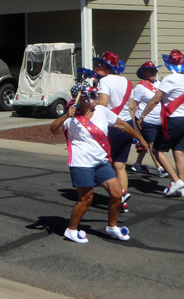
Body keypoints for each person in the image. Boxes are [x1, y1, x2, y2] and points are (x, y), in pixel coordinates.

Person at [50, 82, 145, 243]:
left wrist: (140, 138)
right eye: (93, 96)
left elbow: (121, 125)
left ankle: (112, 227)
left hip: (101, 162)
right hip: (81, 163)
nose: (97, 98)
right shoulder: (72, 117)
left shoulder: (101, 111)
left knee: (117, 194)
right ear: (83, 100)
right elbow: (53, 129)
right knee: (86, 199)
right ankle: (71, 230)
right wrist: (66, 116)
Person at [140, 49, 184, 197]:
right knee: (178, 152)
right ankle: (181, 187)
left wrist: (143, 115)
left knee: (157, 150)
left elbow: (156, 99)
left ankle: (176, 181)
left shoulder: (169, 79)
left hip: (174, 118)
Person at [94, 51, 134, 212]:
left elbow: (103, 103)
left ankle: (118, 195)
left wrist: (91, 103)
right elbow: (131, 106)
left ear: (106, 66)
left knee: (102, 164)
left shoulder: (104, 81)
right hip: (127, 124)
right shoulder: (128, 82)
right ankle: (122, 198)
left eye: (100, 64)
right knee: (120, 165)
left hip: (112, 126)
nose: (98, 67)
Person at [129, 61, 169, 178]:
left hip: (160, 119)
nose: (154, 73)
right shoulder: (140, 87)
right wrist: (135, 122)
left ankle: (137, 164)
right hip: (146, 120)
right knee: (152, 144)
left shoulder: (160, 84)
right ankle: (160, 167)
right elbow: (133, 105)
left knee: (147, 143)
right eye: (151, 71)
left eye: (155, 70)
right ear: (144, 73)